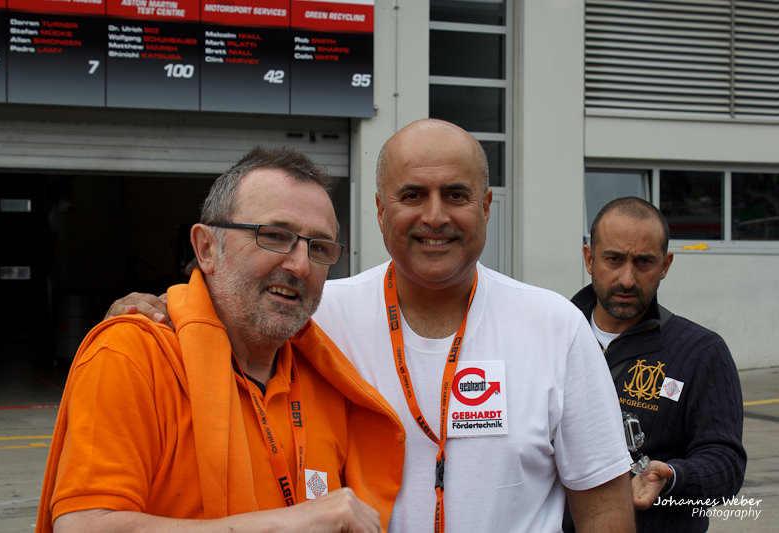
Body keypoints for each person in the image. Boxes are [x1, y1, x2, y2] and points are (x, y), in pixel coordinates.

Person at [105, 119, 636, 532]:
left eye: (456, 195)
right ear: (381, 211)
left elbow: (604, 510)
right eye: (413, 195)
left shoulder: (555, 327)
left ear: (486, 206)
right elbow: (223, 311)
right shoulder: (311, 316)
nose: (435, 217)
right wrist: (159, 308)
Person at [36, 147, 405, 533]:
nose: (300, 265)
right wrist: (294, 522)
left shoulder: (328, 377)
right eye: (274, 236)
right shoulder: (134, 356)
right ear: (207, 249)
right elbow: (83, 526)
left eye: (319, 247)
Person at [569, 196, 746, 532]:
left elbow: (727, 465)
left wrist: (673, 478)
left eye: (644, 262)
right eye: (614, 259)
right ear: (589, 258)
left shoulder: (701, 352)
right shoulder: (552, 338)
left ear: (665, 265)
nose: (627, 279)